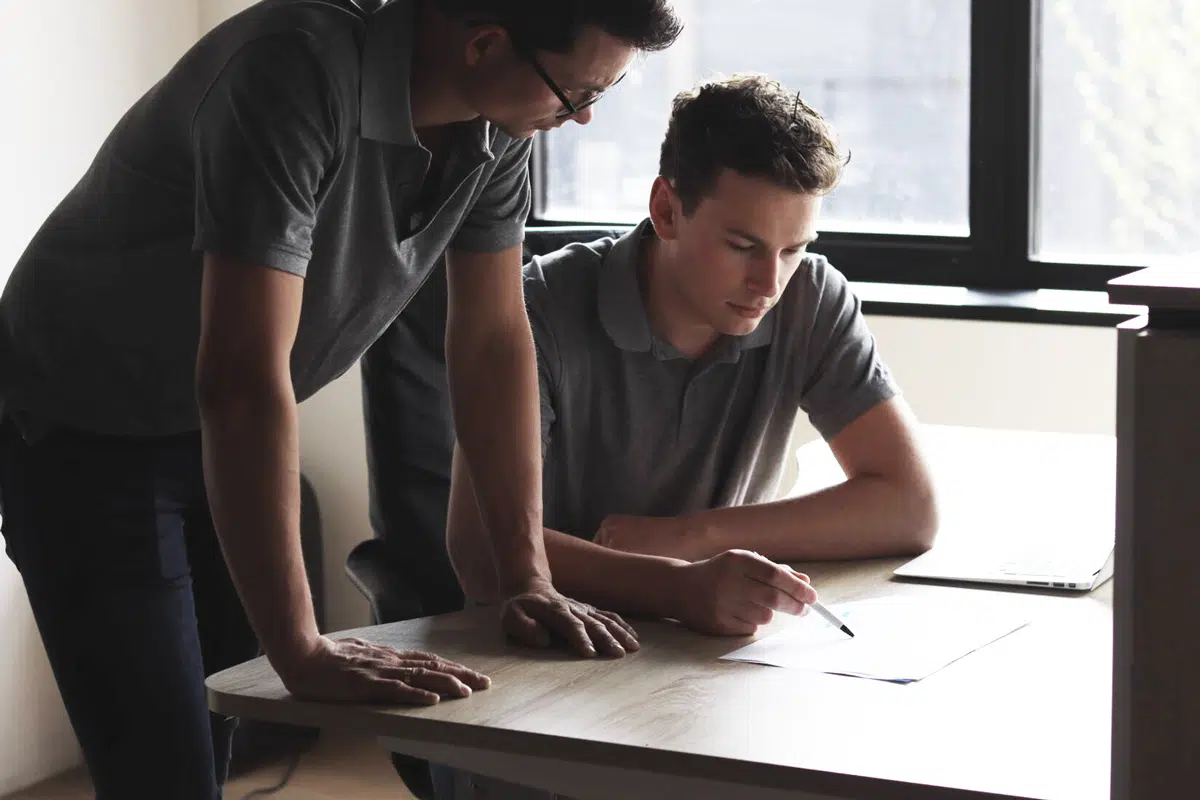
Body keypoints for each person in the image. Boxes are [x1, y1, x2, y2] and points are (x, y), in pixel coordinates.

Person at [0, 0, 680, 796]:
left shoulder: (498, 128)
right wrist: (301, 645)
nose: (585, 118)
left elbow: (493, 343)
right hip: (84, 428)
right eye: (572, 95)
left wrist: (527, 575)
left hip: (210, 421)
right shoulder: (294, 71)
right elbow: (243, 379)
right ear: (484, 42)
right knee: (162, 771)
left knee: (222, 730)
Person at [448, 73, 939, 644]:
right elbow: (480, 550)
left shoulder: (811, 297)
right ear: (667, 210)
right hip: (542, 651)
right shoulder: (537, 308)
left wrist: (694, 537)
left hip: (706, 652)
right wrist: (677, 587)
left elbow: (910, 506)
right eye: (742, 246)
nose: (768, 282)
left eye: (793, 249)